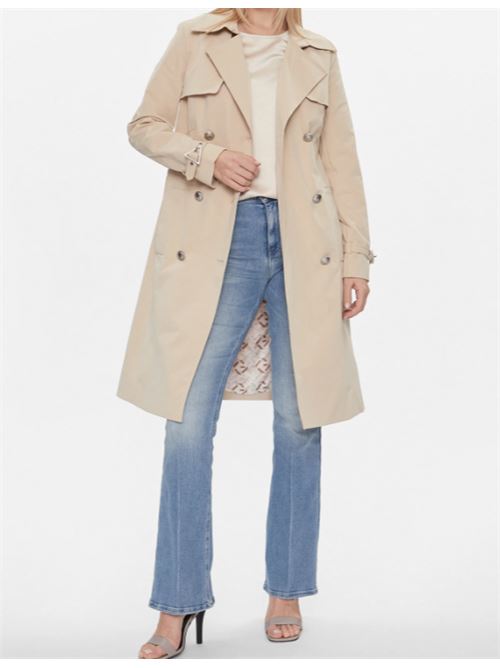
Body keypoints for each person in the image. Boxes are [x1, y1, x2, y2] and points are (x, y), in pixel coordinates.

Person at [119, 7, 375, 660]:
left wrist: (356, 258)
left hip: (305, 242)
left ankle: (286, 590)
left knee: (299, 419)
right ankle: (177, 598)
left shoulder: (318, 53)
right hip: (217, 235)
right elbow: (144, 126)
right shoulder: (196, 38)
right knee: (187, 421)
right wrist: (206, 158)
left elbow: (341, 163)